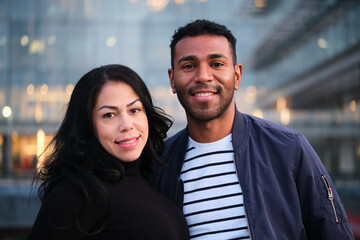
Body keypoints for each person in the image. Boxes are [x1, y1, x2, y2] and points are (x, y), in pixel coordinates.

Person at [150, 19, 355, 239]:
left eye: (217, 64)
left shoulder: (289, 149)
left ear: (237, 76)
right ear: (173, 79)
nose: (203, 76)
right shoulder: (160, 163)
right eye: (189, 66)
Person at [27, 64, 189, 240]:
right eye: (109, 115)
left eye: (134, 110)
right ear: (87, 125)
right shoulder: (78, 191)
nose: (127, 125)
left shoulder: (153, 177)